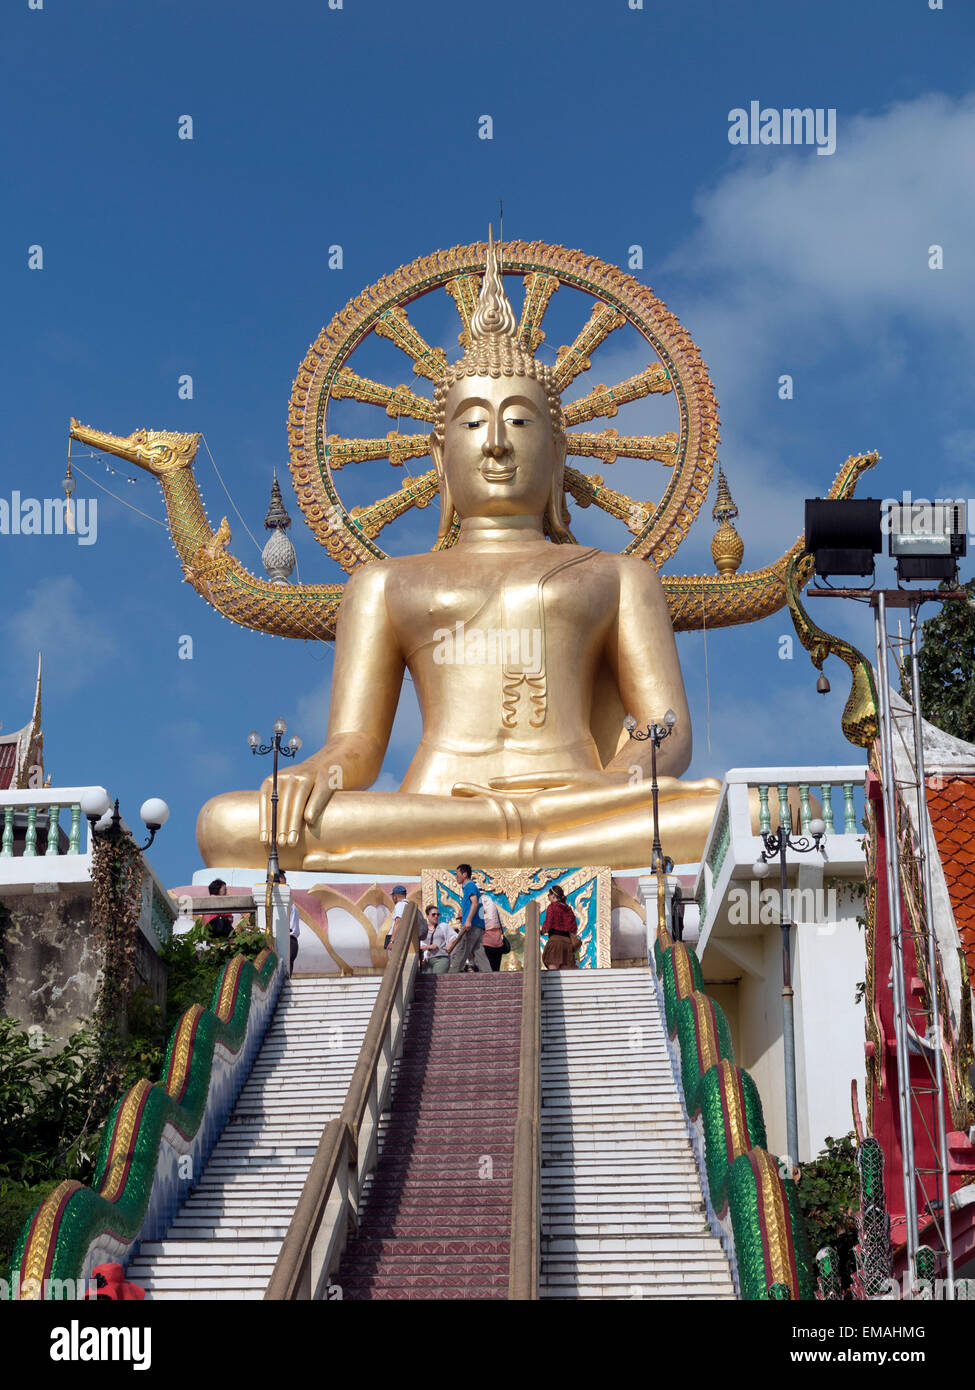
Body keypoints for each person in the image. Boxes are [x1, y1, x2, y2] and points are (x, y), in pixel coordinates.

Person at [447, 864, 493, 974]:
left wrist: (468, 920)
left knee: (461, 950)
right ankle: (489, 975)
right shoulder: (472, 887)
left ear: (465, 874)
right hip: (478, 925)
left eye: (457, 874)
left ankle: (450, 977)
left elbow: (475, 903)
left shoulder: (469, 886)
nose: (456, 877)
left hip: (471, 925)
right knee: (479, 952)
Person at [541, 884, 578, 971]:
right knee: (565, 975)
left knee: (553, 973)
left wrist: (542, 931)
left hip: (555, 943)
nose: (548, 897)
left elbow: (548, 924)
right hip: (567, 944)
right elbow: (574, 929)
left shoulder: (552, 907)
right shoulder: (569, 909)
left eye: (548, 895)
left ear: (553, 896)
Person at [422, 903, 457, 974]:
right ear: (427, 916)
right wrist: (429, 946)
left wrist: (450, 945)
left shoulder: (443, 926)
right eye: (433, 914)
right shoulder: (423, 929)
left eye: (438, 914)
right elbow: (419, 945)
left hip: (441, 957)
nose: (436, 916)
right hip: (428, 960)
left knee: (436, 980)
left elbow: (455, 936)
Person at [277, 870, 300, 972]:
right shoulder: (278, 905)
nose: (286, 885)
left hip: (292, 939)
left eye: (285, 881)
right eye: (282, 881)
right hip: (285, 939)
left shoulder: (290, 902)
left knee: (288, 966)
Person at [481, 891, 505, 972]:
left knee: (487, 970)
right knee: (496, 969)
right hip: (498, 943)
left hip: (486, 941)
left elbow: (480, 923)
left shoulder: (480, 904)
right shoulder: (492, 903)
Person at [385, 885, 409, 952]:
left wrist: (392, 941)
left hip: (396, 940)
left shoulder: (400, 905)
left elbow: (398, 922)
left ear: (395, 896)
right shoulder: (408, 905)